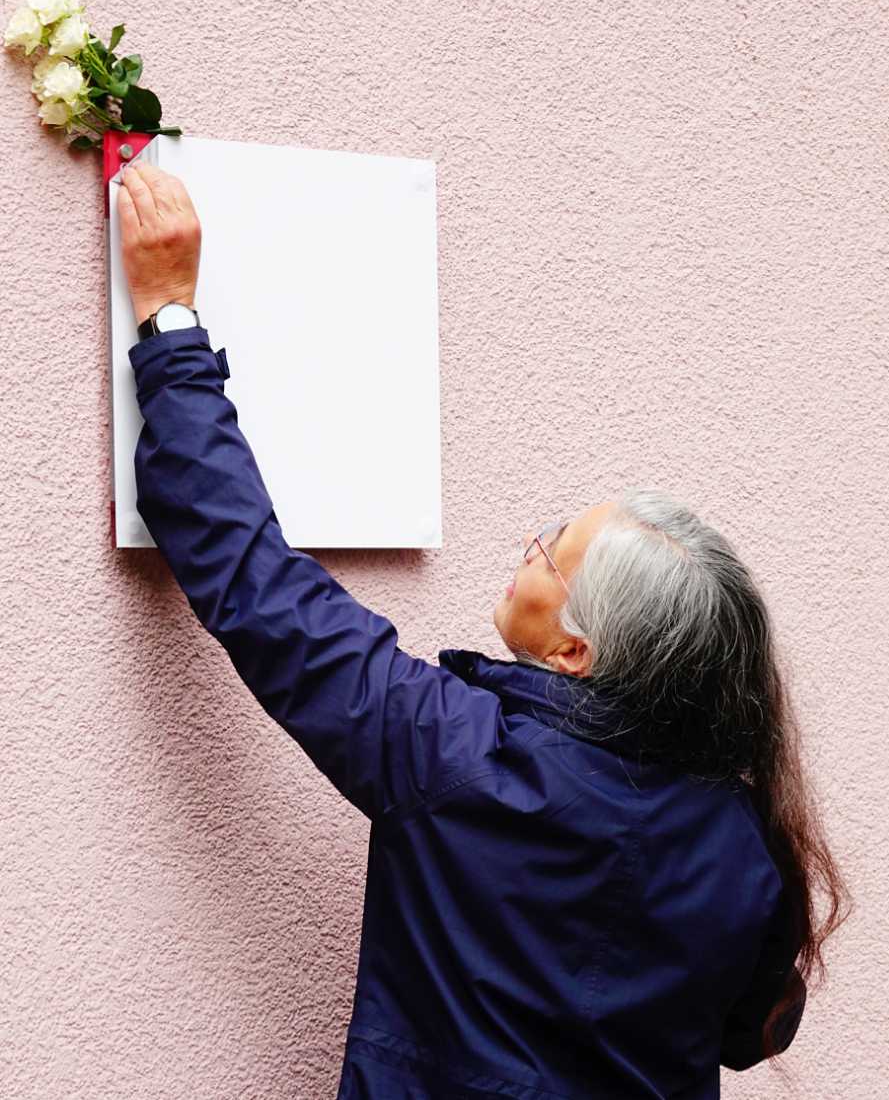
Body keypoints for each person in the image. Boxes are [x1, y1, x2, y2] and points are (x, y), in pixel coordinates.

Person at [116, 160, 851, 1099]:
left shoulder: (458, 758)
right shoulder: (742, 844)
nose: (529, 549)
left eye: (553, 556)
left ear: (576, 652)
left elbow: (259, 585)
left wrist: (170, 321)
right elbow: (746, 1037)